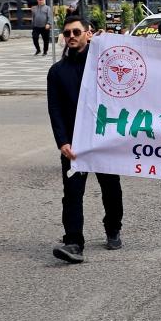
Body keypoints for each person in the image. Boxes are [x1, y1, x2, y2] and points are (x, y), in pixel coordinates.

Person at [48, 15, 124, 263]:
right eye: (67, 33)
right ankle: (73, 242)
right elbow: (55, 109)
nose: (71, 37)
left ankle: (113, 227)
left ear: (88, 34)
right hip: (74, 144)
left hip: (103, 141)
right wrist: (62, 142)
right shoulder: (57, 72)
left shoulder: (106, 65)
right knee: (72, 193)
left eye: (77, 32)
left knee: (111, 189)